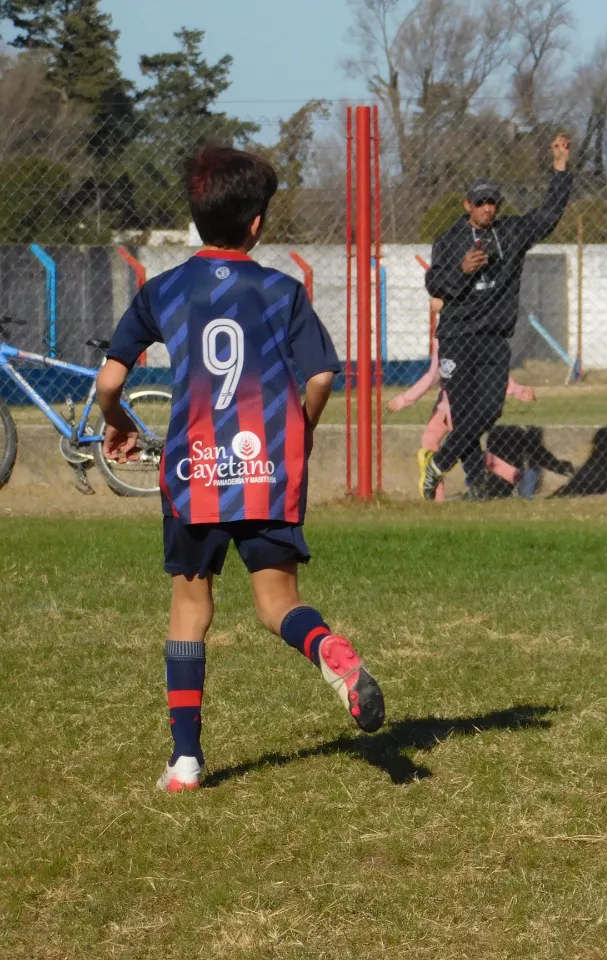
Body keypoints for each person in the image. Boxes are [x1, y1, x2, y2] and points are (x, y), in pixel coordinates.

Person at [96, 145, 385, 791]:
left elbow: (110, 381)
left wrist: (118, 423)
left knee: (190, 606)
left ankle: (186, 760)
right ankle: (327, 650)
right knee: (278, 602)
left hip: (195, 473)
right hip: (265, 471)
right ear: (257, 223)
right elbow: (319, 376)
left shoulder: (163, 290)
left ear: (197, 217)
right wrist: (302, 430)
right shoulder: (283, 291)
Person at [419, 133, 573, 500]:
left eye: (493, 202)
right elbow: (434, 284)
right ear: (467, 205)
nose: (487, 208)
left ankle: (439, 463)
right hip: (457, 336)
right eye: (480, 202)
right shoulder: (449, 239)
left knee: (488, 410)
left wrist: (560, 168)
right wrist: (462, 270)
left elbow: (548, 215)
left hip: (493, 337)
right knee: (464, 414)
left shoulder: (512, 232)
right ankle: (478, 485)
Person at [388, 298, 538, 500]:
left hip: (458, 408)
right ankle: (445, 494)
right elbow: (438, 373)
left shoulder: (461, 334)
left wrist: (404, 400)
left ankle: (512, 478)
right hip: (444, 407)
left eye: (438, 297)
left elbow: (437, 376)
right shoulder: (445, 334)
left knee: (461, 450)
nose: (431, 302)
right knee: (438, 444)